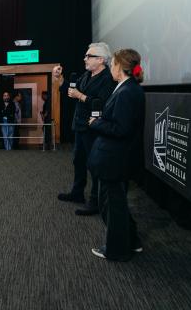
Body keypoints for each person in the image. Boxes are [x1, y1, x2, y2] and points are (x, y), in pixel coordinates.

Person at [87, 49, 145, 261]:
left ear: (119, 67)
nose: (110, 68)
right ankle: (132, 241)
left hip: (115, 159)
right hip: (116, 158)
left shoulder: (127, 92)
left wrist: (97, 123)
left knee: (112, 206)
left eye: (112, 65)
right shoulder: (128, 89)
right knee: (115, 203)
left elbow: (121, 129)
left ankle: (117, 250)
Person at [55, 42, 116, 216]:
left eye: (89, 56)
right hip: (80, 126)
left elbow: (103, 103)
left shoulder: (107, 78)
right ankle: (77, 193)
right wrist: (60, 78)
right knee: (78, 160)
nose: (85, 59)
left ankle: (95, 201)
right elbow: (70, 91)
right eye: (85, 56)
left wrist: (81, 96)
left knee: (94, 165)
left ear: (101, 60)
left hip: (94, 128)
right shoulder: (86, 75)